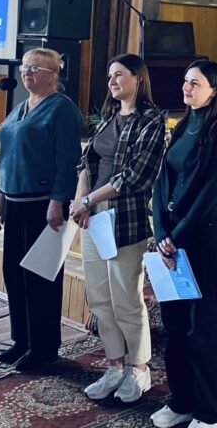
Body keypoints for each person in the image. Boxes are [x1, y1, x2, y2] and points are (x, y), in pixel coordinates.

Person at [70, 53, 165, 403]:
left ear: (137, 78)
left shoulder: (151, 120)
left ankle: (139, 368)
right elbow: (86, 160)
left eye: (119, 75)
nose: (111, 81)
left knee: (125, 297)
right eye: (109, 75)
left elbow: (135, 176)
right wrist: (81, 200)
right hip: (93, 214)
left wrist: (88, 199)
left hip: (123, 217)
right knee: (98, 296)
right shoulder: (109, 116)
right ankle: (115, 365)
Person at [150, 60, 217, 428]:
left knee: (203, 334)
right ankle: (182, 401)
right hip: (171, 242)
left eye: (195, 83)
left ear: (214, 90)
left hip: (200, 243)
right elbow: (161, 182)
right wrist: (160, 230)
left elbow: (210, 189)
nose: (186, 87)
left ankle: (210, 412)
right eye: (185, 81)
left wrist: (177, 235)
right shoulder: (182, 125)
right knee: (175, 330)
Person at [0, 47, 81, 371]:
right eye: (25, 67)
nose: (26, 72)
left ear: (53, 76)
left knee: (40, 277)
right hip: (15, 202)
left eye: (34, 68)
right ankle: (22, 340)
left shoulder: (62, 110)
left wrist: (58, 200)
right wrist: (1, 197)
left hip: (43, 205)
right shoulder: (21, 107)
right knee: (14, 273)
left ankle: (44, 348)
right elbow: (7, 157)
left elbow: (68, 160)